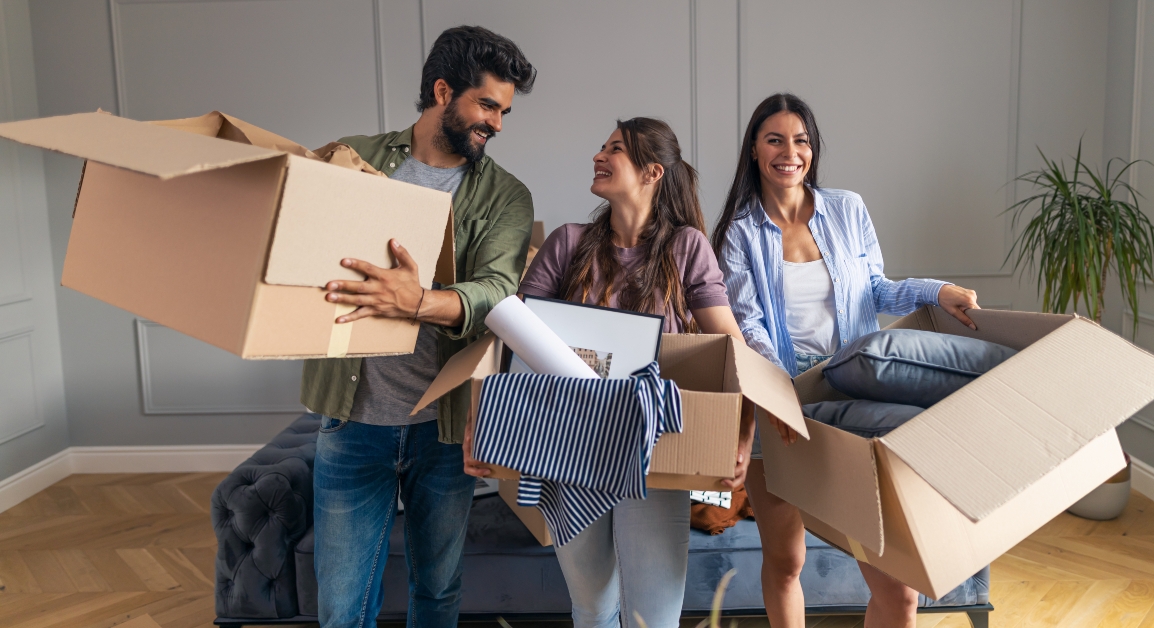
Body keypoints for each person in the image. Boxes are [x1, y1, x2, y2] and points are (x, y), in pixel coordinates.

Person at [465, 118, 753, 628]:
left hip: (650, 447)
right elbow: (509, 340)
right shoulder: (568, 242)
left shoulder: (685, 247)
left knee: (653, 618)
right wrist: (476, 425)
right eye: (601, 146)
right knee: (594, 608)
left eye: (615, 149)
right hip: (570, 448)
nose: (599, 155)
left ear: (652, 172)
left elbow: (731, 350)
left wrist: (743, 438)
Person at [711, 93, 980, 628]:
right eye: (775, 139)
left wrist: (936, 291)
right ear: (754, 150)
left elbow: (877, 289)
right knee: (786, 562)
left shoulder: (847, 208)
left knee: (898, 590)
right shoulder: (740, 234)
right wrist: (783, 394)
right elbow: (749, 327)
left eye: (801, 140)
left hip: (854, 398)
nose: (790, 152)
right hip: (779, 404)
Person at [303, 26, 536, 628]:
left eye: (505, 111)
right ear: (442, 91)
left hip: (444, 426)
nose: (498, 124)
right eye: (488, 105)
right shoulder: (349, 160)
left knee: (438, 593)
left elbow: (499, 293)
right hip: (351, 417)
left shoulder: (506, 196)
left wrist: (419, 301)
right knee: (342, 607)